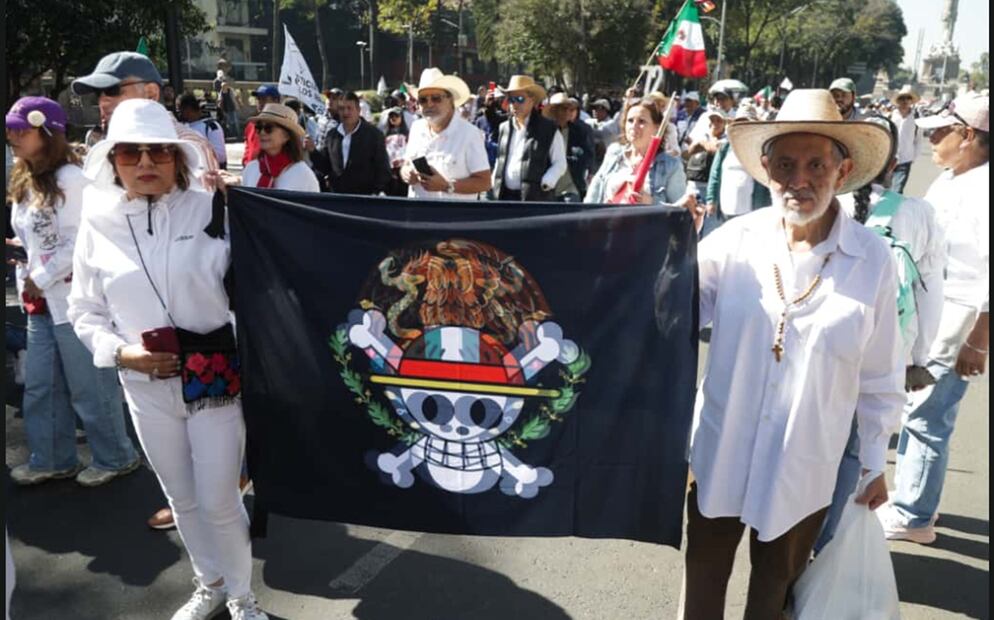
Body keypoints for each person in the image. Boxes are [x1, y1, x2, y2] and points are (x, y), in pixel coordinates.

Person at [679, 89, 903, 618]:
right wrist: (666, 241)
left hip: (805, 463)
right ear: (765, 168)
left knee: (776, 588)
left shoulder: (871, 259)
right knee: (703, 578)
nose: (799, 179)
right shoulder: (734, 242)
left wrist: (874, 463)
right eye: (785, 164)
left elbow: (880, 373)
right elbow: (671, 312)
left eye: (815, 164)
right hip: (721, 449)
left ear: (842, 171)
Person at [67, 99, 268, 620]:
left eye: (158, 150)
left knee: (220, 500)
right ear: (113, 161)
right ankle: (211, 583)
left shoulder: (215, 209)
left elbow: (258, 291)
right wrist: (121, 353)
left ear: (179, 158)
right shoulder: (98, 224)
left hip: (215, 383)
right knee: (182, 501)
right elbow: (84, 310)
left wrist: (239, 204)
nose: (145, 162)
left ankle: (243, 598)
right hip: (143, 388)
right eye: (130, 152)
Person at [812, 113, 947, 553]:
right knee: (854, 454)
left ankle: (789, 546)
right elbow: (931, 293)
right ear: (893, 165)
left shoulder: (818, 206)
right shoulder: (917, 213)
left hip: (820, 352)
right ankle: (827, 548)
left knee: (809, 449)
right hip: (883, 356)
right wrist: (918, 358)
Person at [6, 96, 141, 487]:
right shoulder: (25, 178)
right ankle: (51, 457)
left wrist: (43, 274)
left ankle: (116, 456)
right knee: (40, 386)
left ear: (47, 133)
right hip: (39, 301)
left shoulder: (72, 180)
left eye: (21, 129)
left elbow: (82, 237)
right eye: (11, 129)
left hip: (74, 301)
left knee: (89, 387)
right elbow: (40, 236)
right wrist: (21, 251)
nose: (12, 136)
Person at [878, 94, 990, 544]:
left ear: (969, 136)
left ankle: (914, 515)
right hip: (933, 312)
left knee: (928, 416)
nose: (932, 138)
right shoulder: (950, 180)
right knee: (917, 409)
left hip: (960, 318)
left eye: (942, 131)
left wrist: (978, 341)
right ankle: (915, 496)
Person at [71, 51, 218, 178]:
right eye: (98, 93)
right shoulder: (106, 145)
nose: (103, 101)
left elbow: (202, 207)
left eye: (112, 90)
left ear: (151, 93)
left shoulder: (190, 146)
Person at [400, 68, 492, 200]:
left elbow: (485, 182)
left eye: (436, 98)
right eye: (423, 100)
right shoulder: (416, 128)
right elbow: (406, 164)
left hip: (455, 218)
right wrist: (406, 173)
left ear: (450, 100)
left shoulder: (470, 134)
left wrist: (447, 186)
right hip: (417, 214)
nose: (429, 104)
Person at [584, 100, 687, 205]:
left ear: (657, 128)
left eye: (641, 121)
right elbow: (593, 197)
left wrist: (651, 202)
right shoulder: (614, 154)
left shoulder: (671, 165)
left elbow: (679, 212)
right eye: (630, 120)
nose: (634, 126)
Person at [491, 75, 566, 201]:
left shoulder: (548, 129)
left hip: (534, 199)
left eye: (519, 99)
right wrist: (494, 181)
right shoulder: (504, 127)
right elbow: (501, 158)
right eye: (511, 99)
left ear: (532, 100)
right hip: (504, 197)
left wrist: (547, 182)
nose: (514, 104)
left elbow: (560, 163)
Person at [705, 102, 771, 224]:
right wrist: (711, 200)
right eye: (740, 123)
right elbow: (715, 174)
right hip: (726, 207)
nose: (743, 126)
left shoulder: (762, 149)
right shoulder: (725, 147)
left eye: (747, 123)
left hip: (752, 209)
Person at [318, 92, 391, 195]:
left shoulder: (374, 135)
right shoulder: (332, 135)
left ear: (358, 110)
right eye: (342, 109)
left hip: (365, 199)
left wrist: (376, 192)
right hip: (337, 197)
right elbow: (325, 165)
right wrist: (312, 151)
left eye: (349, 108)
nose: (345, 112)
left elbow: (383, 168)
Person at [240, 104, 321, 191]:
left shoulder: (303, 174)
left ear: (286, 135)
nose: (262, 132)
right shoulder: (251, 168)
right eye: (259, 127)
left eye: (268, 128)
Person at [544, 94, 597, 201]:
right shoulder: (545, 132)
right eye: (563, 109)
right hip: (548, 187)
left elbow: (587, 154)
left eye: (570, 109)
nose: (567, 112)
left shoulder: (579, 131)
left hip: (571, 186)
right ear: (554, 111)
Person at [177, 93, 227, 170]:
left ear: (188, 109)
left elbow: (221, 156)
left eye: (180, 109)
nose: (179, 113)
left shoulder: (211, 126)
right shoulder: (181, 127)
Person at [889, 85, 922, 193]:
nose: (905, 101)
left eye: (908, 98)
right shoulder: (889, 116)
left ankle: (891, 210)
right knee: (884, 190)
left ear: (911, 101)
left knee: (897, 190)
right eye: (902, 98)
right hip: (888, 159)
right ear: (898, 100)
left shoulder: (916, 118)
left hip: (905, 160)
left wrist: (913, 157)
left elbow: (918, 140)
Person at [241, 84, 281, 167]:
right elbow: (248, 146)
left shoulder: (282, 125)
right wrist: (245, 161)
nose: (260, 102)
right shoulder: (251, 124)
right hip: (251, 171)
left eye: (264, 99)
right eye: (258, 99)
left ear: (276, 101)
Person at [383, 107, 410, 197]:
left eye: (396, 116)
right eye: (391, 116)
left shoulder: (407, 134)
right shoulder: (385, 134)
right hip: (389, 169)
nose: (393, 118)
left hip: (402, 168)